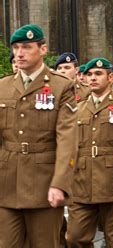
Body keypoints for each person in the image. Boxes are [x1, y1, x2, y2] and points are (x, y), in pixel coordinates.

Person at [0, 24, 77, 248]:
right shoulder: (3, 87)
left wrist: (60, 183)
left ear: (43, 49)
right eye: (16, 47)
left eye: (26, 47)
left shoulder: (60, 86)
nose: (20, 53)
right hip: (7, 184)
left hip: (43, 185)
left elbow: (67, 140)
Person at [66, 58, 113, 248]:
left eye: (98, 74)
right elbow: (68, 144)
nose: (92, 78)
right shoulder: (78, 109)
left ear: (111, 77)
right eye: (90, 74)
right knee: (74, 238)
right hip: (82, 183)